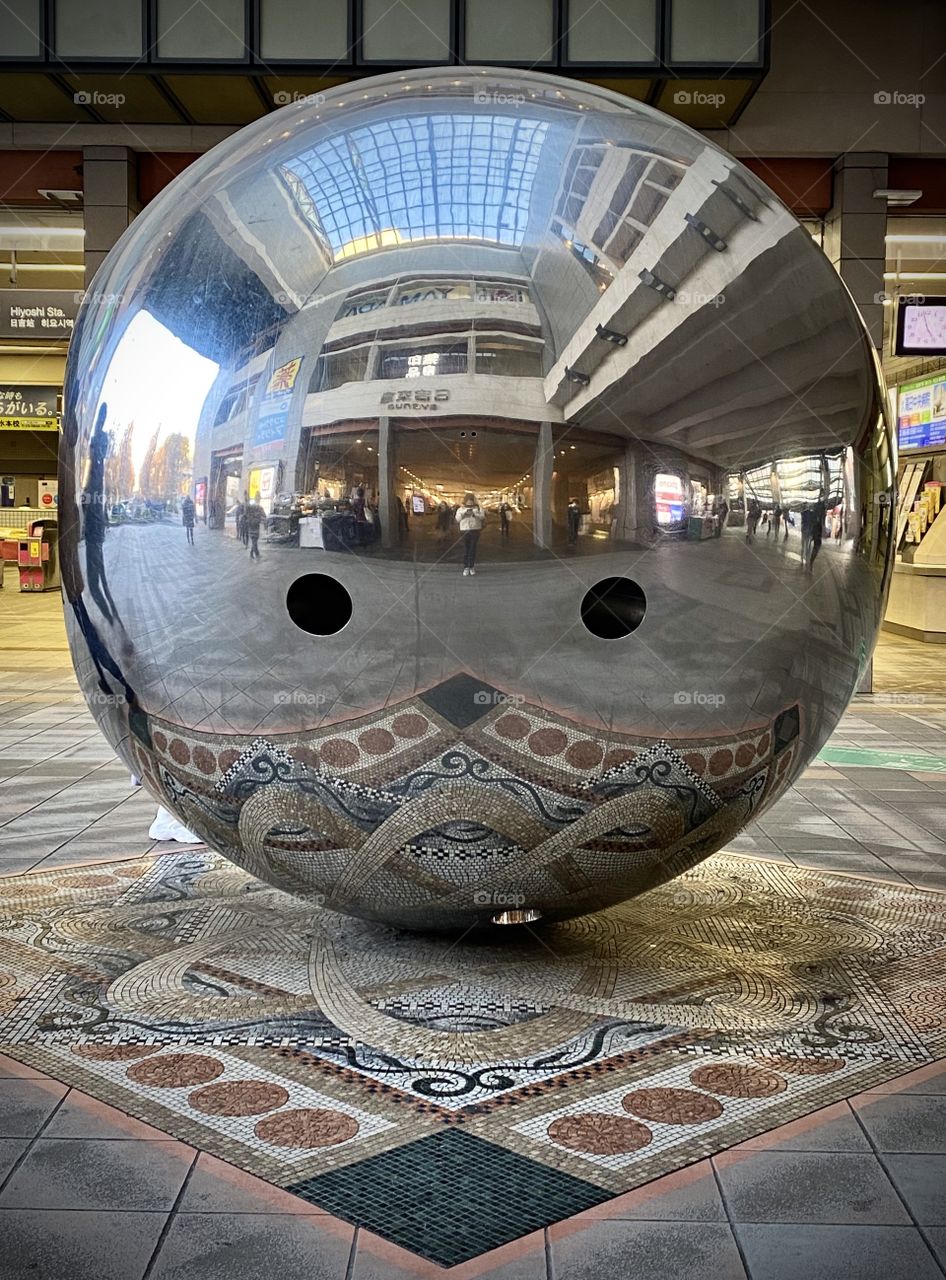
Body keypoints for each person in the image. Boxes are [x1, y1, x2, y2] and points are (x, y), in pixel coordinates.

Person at [456, 491, 486, 576]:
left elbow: (482, 517)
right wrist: (464, 514)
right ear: (465, 501)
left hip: (475, 530)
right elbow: (457, 519)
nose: (470, 502)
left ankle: (471, 566)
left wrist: (474, 514)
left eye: (471, 500)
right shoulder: (461, 509)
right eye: (468, 500)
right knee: (466, 549)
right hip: (464, 530)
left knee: (473, 549)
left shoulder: (478, 508)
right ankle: (466, 567)